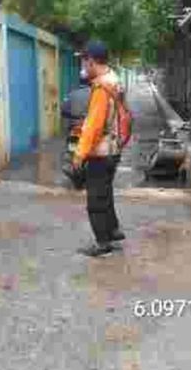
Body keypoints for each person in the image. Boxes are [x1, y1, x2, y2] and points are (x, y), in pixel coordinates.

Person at [72, 40, 125, 257]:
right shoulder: (115, 80)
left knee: (95, 198)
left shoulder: (101, 87)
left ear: (92, 61)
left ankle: (102, 243)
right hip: (114, 148)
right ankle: (113, 231)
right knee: (106, 193)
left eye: (84, 62)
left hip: (101, 152)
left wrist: (79, 154)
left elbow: (93, 126)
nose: (83, 67)